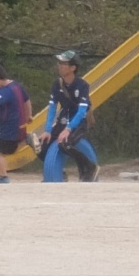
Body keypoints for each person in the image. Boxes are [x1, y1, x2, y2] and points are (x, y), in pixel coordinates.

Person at [39, 50, 99, 182]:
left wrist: (68, 129)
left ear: (73, 68)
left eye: (63, 63)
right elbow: (52, 108)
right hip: (63, 120)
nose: (59, 66)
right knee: (41, 146)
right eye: (59, 63)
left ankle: (90, 167)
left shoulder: (82, 85)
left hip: (78, 122)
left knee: (65, 143)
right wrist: (48, 130)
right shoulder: (57, 84)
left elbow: (82, 111)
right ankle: (58, 173)